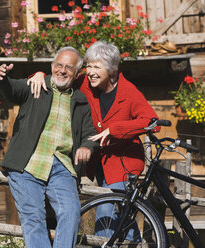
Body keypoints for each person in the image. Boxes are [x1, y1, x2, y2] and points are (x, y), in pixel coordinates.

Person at [28, 41, 159, 240]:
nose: (90, 72)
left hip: (124, 161)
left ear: (112, 69)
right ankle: (134, 242)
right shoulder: (85, 84)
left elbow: (153, 122)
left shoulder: (128, 92)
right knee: (123, 216)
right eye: (88, 66)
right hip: (99, 161)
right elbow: (60, 78)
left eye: (96, 67)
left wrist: (115, 129)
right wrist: (37, 75)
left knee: (107, 214)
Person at [0, 46, 100, 248]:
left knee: (71, 213)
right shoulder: (35, 85)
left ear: (76, 74)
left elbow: (90, 133)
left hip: (62, 167)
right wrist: (0, 77)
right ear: (52, 66)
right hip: (27, 164)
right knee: (34, 218)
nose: (62, 70)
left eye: (68, 68)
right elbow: (10, 89)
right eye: (59, 65)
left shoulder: (80, 101)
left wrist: (87, 146)